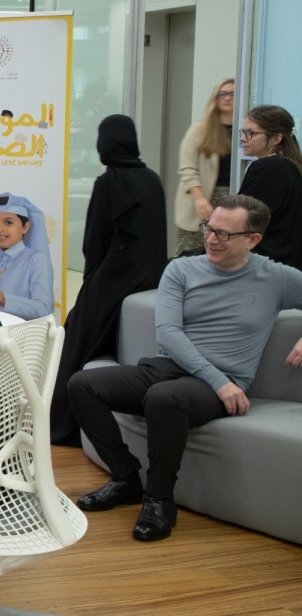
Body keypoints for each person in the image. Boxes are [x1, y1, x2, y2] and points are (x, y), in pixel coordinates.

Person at [68, 195, 302, 542]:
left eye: (224, 234)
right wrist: (217, 380)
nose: (210, 239)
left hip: (217, 386)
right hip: (174, 370)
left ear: (252, 239)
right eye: (209, 228)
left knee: (165, 398)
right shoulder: (181, 269)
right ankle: (126, 478)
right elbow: (169, 335)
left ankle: (160, 501)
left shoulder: (277, 278)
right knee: (82, 384)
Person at [51, 115, 167, 446]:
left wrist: (91, 284)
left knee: (76, 339)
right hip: (149, 275)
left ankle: (63, 423)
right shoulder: (152, 178)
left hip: (113, 277)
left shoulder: (108, 182)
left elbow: (95, 241)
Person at [236, 104, 302, 271]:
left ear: (275, 139)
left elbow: (240, 217)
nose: (243, 138)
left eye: (250, 133)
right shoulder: (292, 166)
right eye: (242, 132)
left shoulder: (268, 168)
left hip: (265, 265)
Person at [174, 78, 235, 256]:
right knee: (192, 252)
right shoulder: (199, 129)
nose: (227, 98)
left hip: (234, 198)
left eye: (232, 94)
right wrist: (199, 199)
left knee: (226, 252)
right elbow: (187, 168)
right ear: (215, 98)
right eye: (222, 94)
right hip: (203, 197)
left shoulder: (246, 130)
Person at [0, 192, 54, 319]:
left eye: (8, 222)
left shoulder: (36, 260)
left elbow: (43, 309)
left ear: (25, 227)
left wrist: (2, 298)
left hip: (25, 336)